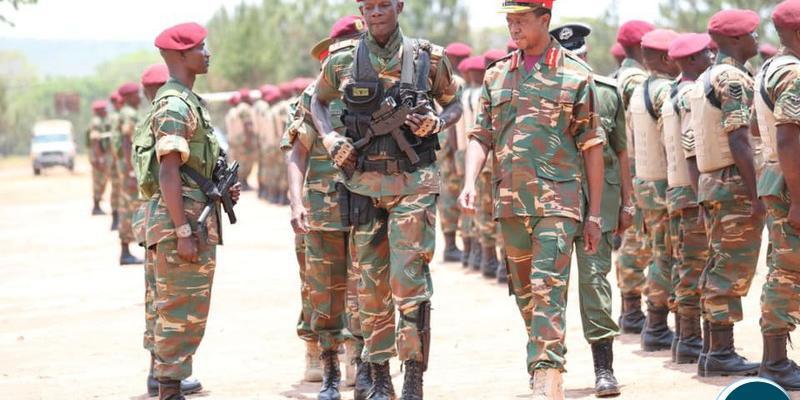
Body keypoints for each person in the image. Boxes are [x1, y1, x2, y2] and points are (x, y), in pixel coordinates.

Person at [310, 0, 463, 397]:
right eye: (368, 6)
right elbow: (317, 101)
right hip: (362, 187)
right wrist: (329, 138)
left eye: (383, 5)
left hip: (413, 183)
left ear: (399, 6)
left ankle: (413, 376)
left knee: (408, 281)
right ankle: (379, 379)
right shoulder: (343, 59)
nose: (376, 12)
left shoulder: (427, 58)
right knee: (370, 286)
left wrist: (438, 122)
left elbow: (456, 103)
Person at [459, 1, 605, 397]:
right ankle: (544, 355)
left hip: (559, 201)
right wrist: (470, 180)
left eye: (522, 20)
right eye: (510, 21)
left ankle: (546, 373)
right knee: (525, 291)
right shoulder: (496, 76)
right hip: (510, 202)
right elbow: (480, 136)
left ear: (545, 20)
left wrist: (594, 215)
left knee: (547, 286)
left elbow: (592, 146)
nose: (514, 28)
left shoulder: (575, 75)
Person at [144, 22, 240, 400]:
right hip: (179, 225)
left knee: (189, 313)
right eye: (201, 48)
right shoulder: (173, 105)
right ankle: (169, 392)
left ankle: (171, 388)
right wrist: (182, 230)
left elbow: (189, 167)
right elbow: (168, 171)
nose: (207, 53)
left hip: (193, 220)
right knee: (178, 313)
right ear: (181, 56)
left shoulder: (188, 100)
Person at [286, 15, 371, 400]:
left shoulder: (376, 91)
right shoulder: (311, 96)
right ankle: (328, 363)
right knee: (323, 290)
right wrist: (295, 199)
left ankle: (360, 360)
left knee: (364, 286)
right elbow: (297, 151)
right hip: (322, 208)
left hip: (367, 203)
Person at [552, 22, 631, 397]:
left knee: (596, 281)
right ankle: (549, 369)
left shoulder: (609, 92)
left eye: (579, 58)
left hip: (600, 204)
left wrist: (629, 202)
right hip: (554, 201)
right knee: (549, 285)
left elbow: (620, 151)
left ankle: (604, 368)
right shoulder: (545, 92)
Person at [687, 8, 764, 377]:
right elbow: (739, 137)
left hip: (713, 181)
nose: (756, 40)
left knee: (718, 264)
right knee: (729, 270)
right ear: (735, 40)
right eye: (751, 34)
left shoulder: (706, 76)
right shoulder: (732, 79)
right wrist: (756, 195)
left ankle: (712, 350)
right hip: (733, 182)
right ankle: (721, 352)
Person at [133, 62, 204, 398]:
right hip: (169, 216)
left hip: (150, 217)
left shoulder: (146, 122)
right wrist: (183, 229)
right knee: (174, 305)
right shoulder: (170, 115)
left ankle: (157, 375)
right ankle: (167, 381)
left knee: (158, 301)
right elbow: (168, 173)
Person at [754, 0, 800, 390]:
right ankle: (775, 362)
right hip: (791, 184)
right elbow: (787, 135)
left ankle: (776, 358)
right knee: (789, 271)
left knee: (783, 268)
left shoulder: (770, 67)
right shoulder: (794, 73)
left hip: (778, 179)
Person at [662, 33, 714, 365]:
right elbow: (692, 147)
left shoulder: (672, 92)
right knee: (694, 266)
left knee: (686, 264)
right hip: (691, 192)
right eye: (707, 54)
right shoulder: (690, 94)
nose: (712, 58)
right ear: (695, 59)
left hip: (678, 189)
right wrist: (701, 197)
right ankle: (691, 340)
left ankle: (685, 338)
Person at [629, 29, 681, 352]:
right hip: (663, 185)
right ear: (666, 58)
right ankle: (658, 326)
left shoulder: (640, 89)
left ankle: (656, 324)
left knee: (658, 253)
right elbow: (670, 140)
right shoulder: (664, 91)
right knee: (666, 256)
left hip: (646, 184)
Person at [614, 20, 656, 335]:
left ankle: (630, 309)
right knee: (640, 239)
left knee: (635, 236)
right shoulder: (635, 81)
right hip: (638, 166)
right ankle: (632, 311)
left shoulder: (621, 75)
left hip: (625, 166)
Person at [438, 42, 471, 263]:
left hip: (442, 145)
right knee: (452, 193)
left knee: (448, 194)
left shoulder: (440, 77)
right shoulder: (457, 82)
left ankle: (452, 244)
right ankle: (452, 246)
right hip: (452, 144)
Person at [114, 82, 145, 265]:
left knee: (127, 208)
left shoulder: (124, 113)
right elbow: (127, 143)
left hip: (124, 170)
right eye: (137, 94)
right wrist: (132, 170)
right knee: (135, 208)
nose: (140, 97)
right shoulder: (129, 114)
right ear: (129, 97)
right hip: (129, 170)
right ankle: (128, 252)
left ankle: (126, 252)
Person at [87, 100, 112, 215]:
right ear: (99, 111)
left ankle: (97, 205)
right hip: (98, 157)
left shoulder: (101, 121)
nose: (106, 111)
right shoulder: (96, 122)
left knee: (102, 181)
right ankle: (96, 206)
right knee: (99, 181)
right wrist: (100, 158)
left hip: (100, 156)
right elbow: (95, 141)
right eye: (104, 109)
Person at [109, 91, 124, 231]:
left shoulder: (117, 115)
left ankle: (116, 220)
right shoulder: (117, 116)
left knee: (117, 189)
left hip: (115, 157)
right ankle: (116, 219)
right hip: (117, 158)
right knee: (118, 189)